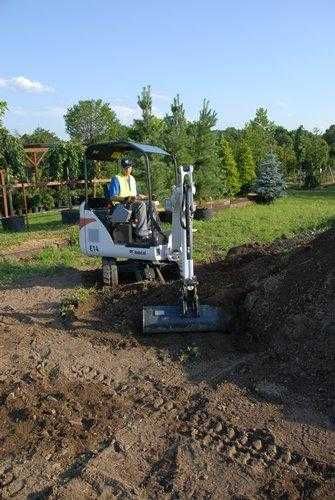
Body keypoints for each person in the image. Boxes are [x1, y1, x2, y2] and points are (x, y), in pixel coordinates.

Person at [107, 158, 151, 240]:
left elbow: (135, 194)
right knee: (141, 205)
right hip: (121, 206)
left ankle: (149, 230)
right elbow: (112, 197)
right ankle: (142, 234)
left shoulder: (132, 179)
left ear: (131, 168)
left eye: (129, 167)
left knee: (150, 204)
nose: (127, 169)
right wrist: (125, 198)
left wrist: (144, 197)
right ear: (122, 168)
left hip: (132, 204)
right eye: (125, 168)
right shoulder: (116, 178)